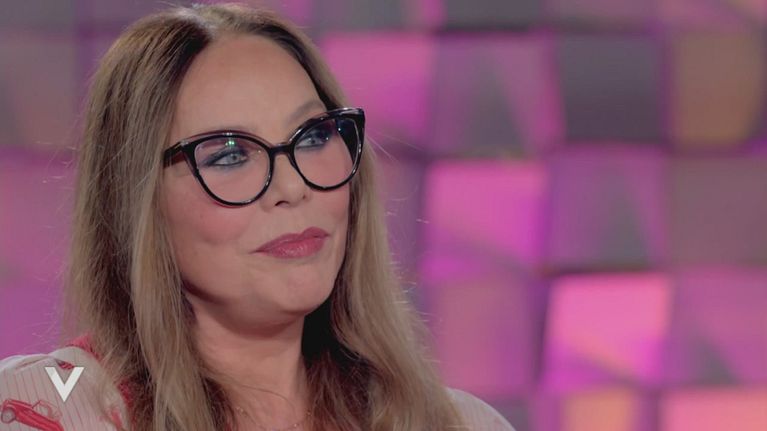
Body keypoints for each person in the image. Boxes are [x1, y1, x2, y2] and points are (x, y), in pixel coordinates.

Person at [0, 4, 515, 430]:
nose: (293, 187)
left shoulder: (458, 423)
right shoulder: (48, 407)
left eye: (313, 136)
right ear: (138, 201)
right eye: (229, 155)